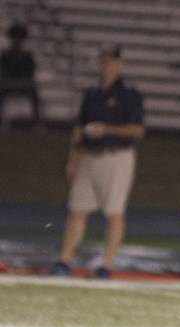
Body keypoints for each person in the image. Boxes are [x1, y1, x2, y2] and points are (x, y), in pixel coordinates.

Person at [49, 45, 144, 278]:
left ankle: (106, 265)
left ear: (118, 64)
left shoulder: (129, 94)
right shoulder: (92, 93)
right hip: (88, 156)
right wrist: (73, 158)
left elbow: (137, 130)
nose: (106, 65)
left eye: (110, 61)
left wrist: (106, 129)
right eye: (103, 61)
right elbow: (79, 128)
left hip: (115, 156)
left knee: (114, 212)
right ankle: (64, 260)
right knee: (77, 210)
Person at [0, 23, 40, 127]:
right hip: (9, 83)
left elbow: (31, 71)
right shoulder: (6, 55)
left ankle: (36, 121)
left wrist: (24, 80)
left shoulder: (27, 55)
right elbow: (4, 70)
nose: (18, 40)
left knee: (34, 92)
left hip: (24, 83)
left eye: (20, 38)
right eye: (15, 37)